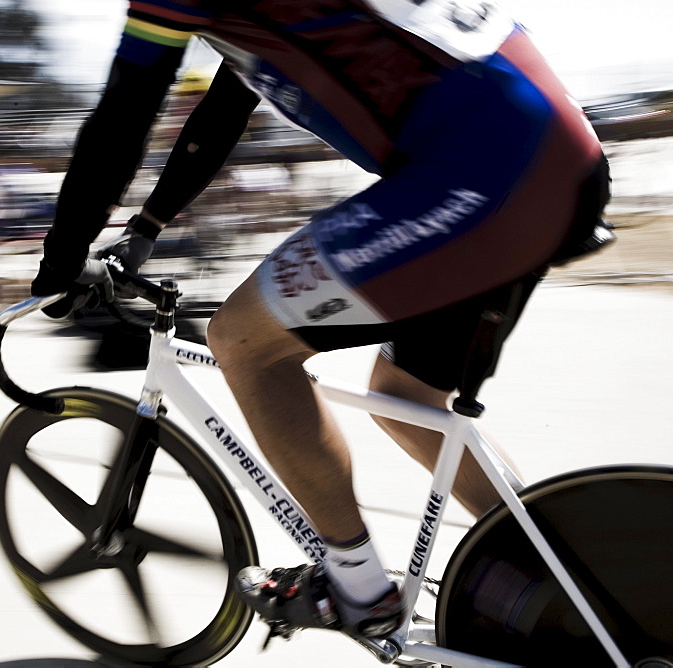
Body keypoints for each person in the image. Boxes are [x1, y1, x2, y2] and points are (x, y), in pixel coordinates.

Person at [31, 0, 611, 643]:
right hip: (561, 158)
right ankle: (580, 587)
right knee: (405, 401)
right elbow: (225, 107)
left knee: (243, 343)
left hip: (477, 175)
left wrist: (61, 261)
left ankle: (358, 590)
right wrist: (145, 227)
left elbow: (124, 115)